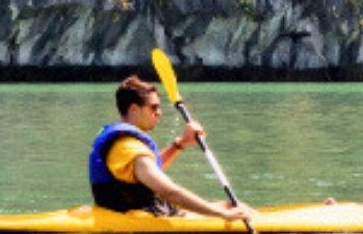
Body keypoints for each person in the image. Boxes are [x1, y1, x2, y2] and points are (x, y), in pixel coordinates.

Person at [90, 76, 255, 223]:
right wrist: (221, 214)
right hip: (143, 218)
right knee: (230, 208)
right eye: (153, 107)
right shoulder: (127, 147)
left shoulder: (126, 145)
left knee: (232, 204)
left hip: (151, 212)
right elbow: (169, 192)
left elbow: (149, 172)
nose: (159, 113)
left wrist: (181, 143)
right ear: (134, 109)